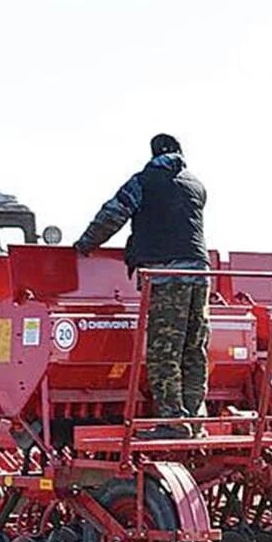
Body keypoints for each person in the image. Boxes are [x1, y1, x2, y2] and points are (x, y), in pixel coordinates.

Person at [73, 133, 209, 440]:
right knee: (194, 349)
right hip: (201, 276)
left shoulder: (145, 181)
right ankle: (195, 419)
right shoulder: (196, 185)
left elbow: (113, 215)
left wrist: (85, 244)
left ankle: (172, 423)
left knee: (165, 351)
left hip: (166, 276)